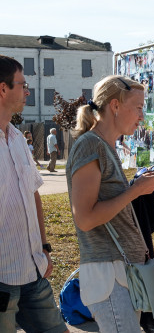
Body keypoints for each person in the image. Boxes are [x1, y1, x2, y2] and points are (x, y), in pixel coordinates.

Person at [66, 75, 154, 332]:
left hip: (120, 274)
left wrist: (141, 187)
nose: (142, 116)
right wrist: (135, 190)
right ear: (114, 106)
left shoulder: (105, 146)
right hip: (108, 275)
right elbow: (85, 218)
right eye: (137, 107)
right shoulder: (91, 144)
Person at [0, 55, 69, 333]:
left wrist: (44, 247)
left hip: (33, 272)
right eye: (22, 84)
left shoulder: (17, 138)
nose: (27, 91)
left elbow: (34, 195)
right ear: (2, 89)